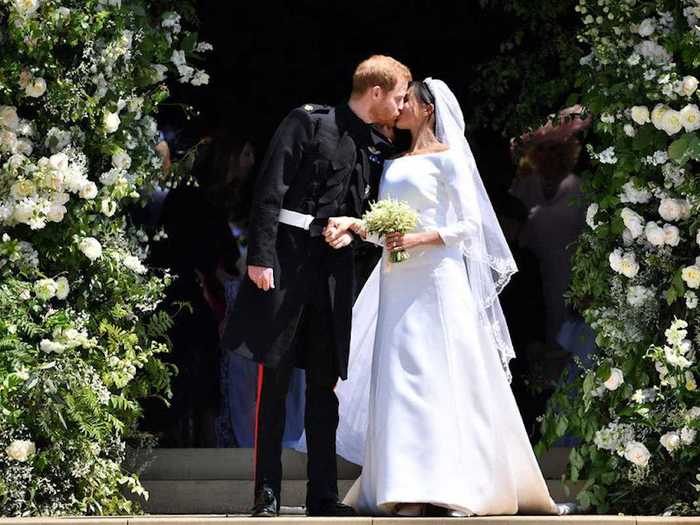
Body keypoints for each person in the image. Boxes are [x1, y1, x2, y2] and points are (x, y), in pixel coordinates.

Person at [324, 79, 563, 516]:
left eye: (407, 102)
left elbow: (469, 226)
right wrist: (357, 226)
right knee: (400, 378)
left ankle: (455, 483)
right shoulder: (393, 163)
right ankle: (405, 486)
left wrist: (418, 237)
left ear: (427, 110)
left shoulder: (451, 160)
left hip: (437, 278)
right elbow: (384, 226)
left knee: (442, 376)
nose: (399, 109)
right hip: (397, 279)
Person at [220, 55, 411, 517]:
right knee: (277, 381)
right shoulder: (307, 122)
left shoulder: (374, 145)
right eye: (400, 96)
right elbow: (270, 187)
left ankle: (322, 495)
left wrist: (352, 229)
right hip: (285, 265)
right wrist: (261, 258)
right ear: (377, 93)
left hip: (332, 273)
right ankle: (266, 493)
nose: (402, 107)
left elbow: (366, 209)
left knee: (326, 386)